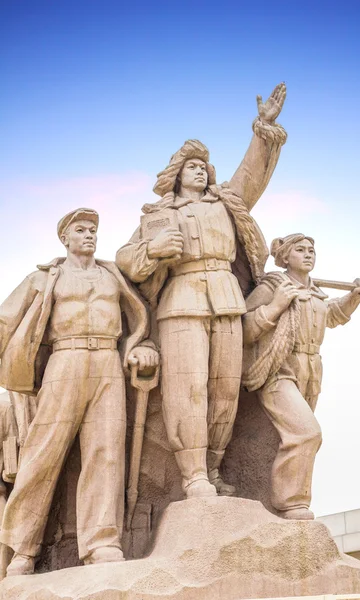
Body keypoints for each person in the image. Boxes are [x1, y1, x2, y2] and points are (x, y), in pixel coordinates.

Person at [116, 84, 287, 499]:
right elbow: (126, 259)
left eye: (203, 167)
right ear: (176, 174)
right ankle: (192, 474)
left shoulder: (227, 204)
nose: (199, 170)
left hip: (226, 299)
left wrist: (262, 129)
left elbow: (251, 175)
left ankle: (212, 469)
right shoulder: (159, 215)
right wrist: (154, 251)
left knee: (223, 389)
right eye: (190, 166)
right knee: (187, 389)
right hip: (182, 301)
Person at [0, 208, 158, 576]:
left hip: (106, 360)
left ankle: (102, 542)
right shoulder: (44, 278)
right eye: (81, 230)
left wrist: (140, 344)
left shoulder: (111, 275)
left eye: (93, 230)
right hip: (64, 360)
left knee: (106, 451)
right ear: (65, 238)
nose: (89, 235)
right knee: (43, 453)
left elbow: (137, 316)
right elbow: (5, 319)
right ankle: (22, 549)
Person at [242, 233, 360, 520]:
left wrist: (355, 297)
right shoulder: (273, 286)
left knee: (292, 437)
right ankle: (291, 503)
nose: (308, 254)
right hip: (279, 369)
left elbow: (332, 315)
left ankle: (281, 500)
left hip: (312, 369)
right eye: (300, 249)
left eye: (311, 250)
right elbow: (244, 330)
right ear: (285, 257)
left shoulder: (316, 293)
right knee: (306, 432)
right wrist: (275, 305)